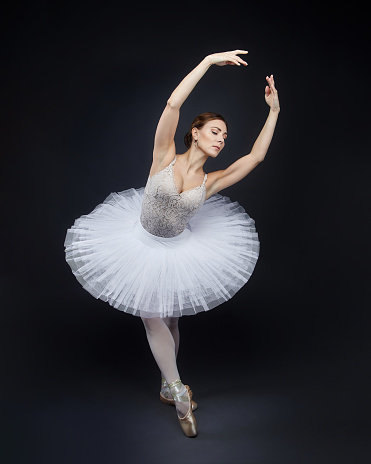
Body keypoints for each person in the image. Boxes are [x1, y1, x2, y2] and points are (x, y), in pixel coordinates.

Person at [64, 50, 280, 438]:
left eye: (225, 136)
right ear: (194, 132)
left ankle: (166, 384)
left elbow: (257, 157)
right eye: (215, 131)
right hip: (140, 245)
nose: (222, 139)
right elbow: (173, 103)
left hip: (178, 249)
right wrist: (210, 60)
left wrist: (274, 112)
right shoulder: (164, 155)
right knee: (152, 316)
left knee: (172, 317)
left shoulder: (210, 182)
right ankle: (178, 389)